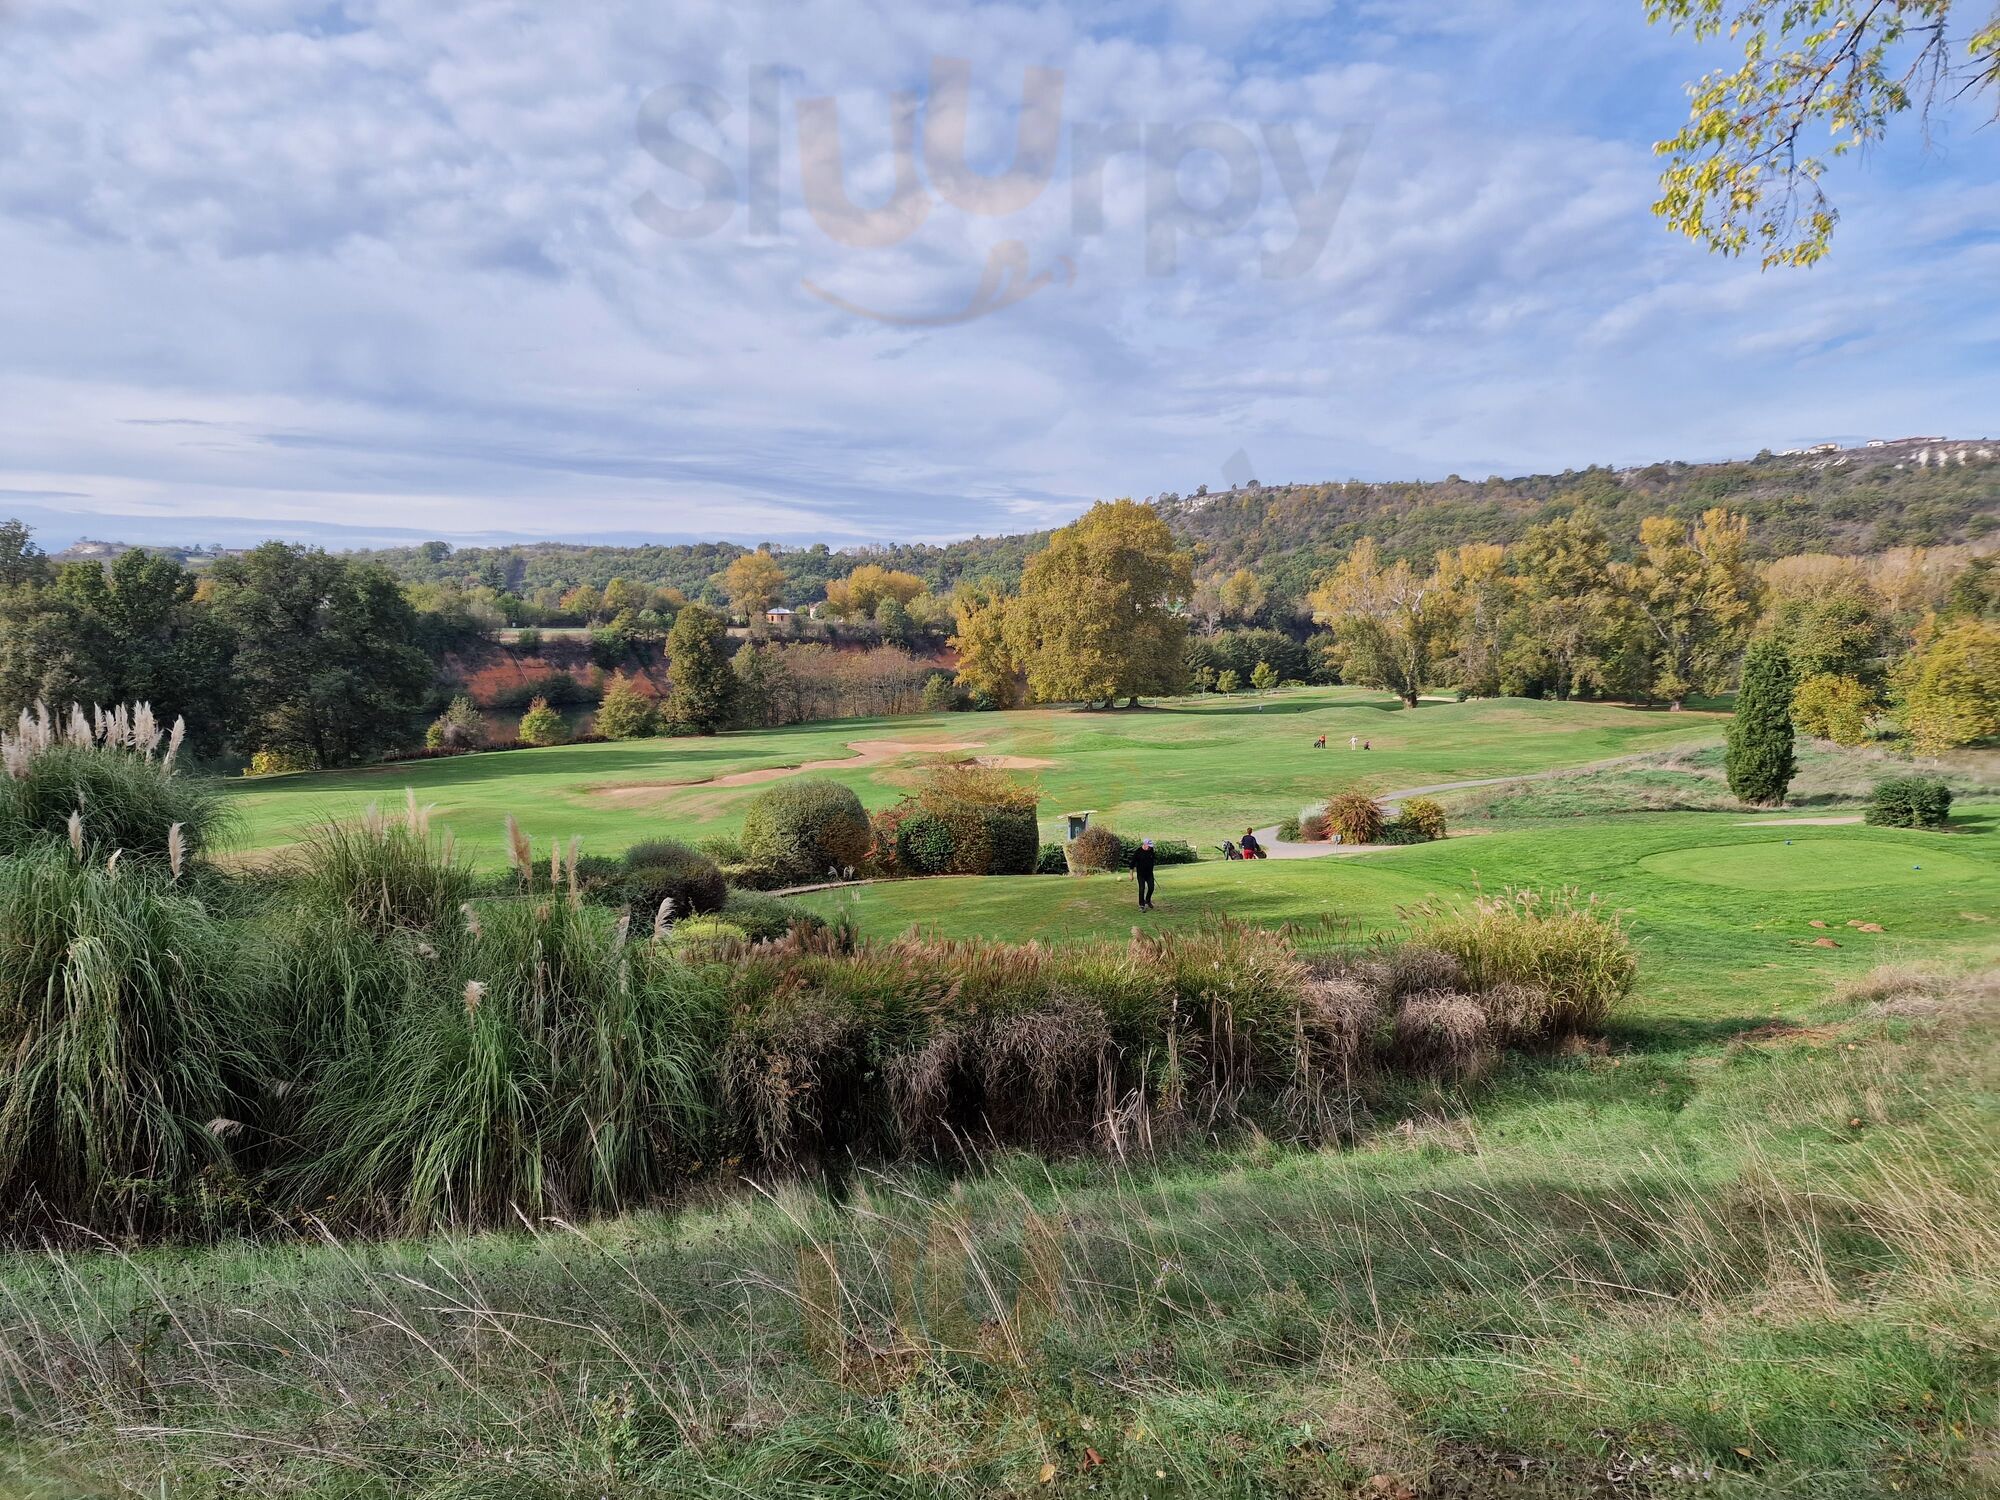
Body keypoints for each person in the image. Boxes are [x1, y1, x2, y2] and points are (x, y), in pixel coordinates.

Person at [1133, 837, 1158, 910]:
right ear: (1145, 844)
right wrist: (1131, 874)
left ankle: (1147, 900)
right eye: (1149, 846)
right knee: (1142, 888)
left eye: (1151, 846)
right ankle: (1141, 905)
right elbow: (1132, 863)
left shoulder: (1151, 850)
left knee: (1151, 887)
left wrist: (1150, 869)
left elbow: (1153, 859)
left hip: (1149, 874)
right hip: (1141, 874)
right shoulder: (1138, 852)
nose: (1150, 847)